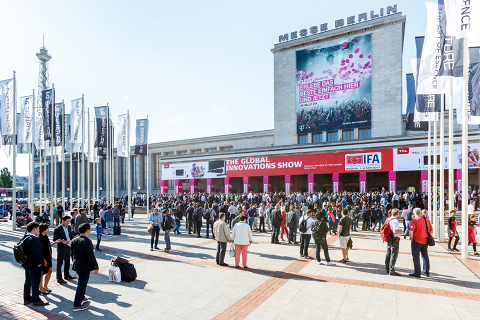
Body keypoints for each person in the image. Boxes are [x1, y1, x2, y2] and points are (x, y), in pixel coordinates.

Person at [71, 223, 99, 312]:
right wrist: (96, 266)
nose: (90, 231)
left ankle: (82, 297)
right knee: (82, 284)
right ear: (87, 230)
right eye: (90, 230)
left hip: (77, 265)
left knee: (82, 283)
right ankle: (77, 305)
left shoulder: (74, 240)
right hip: (84, 266)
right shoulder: (87, 241)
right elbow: (90, 255)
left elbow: (72, 254)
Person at [21, 221, 50, 306]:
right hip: (34, 264)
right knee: (35, 281)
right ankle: (36, 300)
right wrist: (39, 262)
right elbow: (36, 252)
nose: (39, 230)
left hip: (27, 263)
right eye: (38, 229)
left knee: (28, 281)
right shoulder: (33, 239)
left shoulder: (25, 237)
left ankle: (27, 298)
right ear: (34, 229)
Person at [408, 208, 433, 277]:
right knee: (425, 256)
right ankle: (426, 271)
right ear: (421, 213)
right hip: (425, 241)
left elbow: (411, 231)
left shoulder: (414, 221)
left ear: (414, 213)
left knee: (416, 257)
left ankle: (417, 272)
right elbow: (431, 231)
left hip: (416, 241)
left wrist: (412, 238)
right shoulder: (427, 220)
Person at [53, 216, 77, 284]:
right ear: (63, 221)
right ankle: (59, 278)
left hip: (68, 246)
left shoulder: (69, 227)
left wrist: (74, 237)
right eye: (67, 221)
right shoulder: (58, 229)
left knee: (67, 262)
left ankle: (66, 275)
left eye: (69, 221)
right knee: (59, 263)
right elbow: (55, 239)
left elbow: (69, 235)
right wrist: (62, 241)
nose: (68, 223)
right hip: (61, 248)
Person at [38, 223, 60, 295]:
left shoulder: (45, 236)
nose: (48, 229)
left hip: (48, 257)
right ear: (43, 229)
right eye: (47, 228)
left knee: (49, 271)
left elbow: (48, 246)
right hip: (43, 258)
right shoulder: (39, 238)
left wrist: (55, 242)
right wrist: (44, 260)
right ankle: (40, 288)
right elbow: (40, 250)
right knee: (41, 273)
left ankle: (45, 286)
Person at [385, 208, 402, 276]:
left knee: (388, 253)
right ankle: (391, 270)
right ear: (397, 214)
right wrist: (400, 231)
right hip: (394, 239)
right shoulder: (395, 221)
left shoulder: (388, 219)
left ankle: (387, 267)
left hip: (389, 238)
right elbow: (395, 231)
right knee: (394, 254)